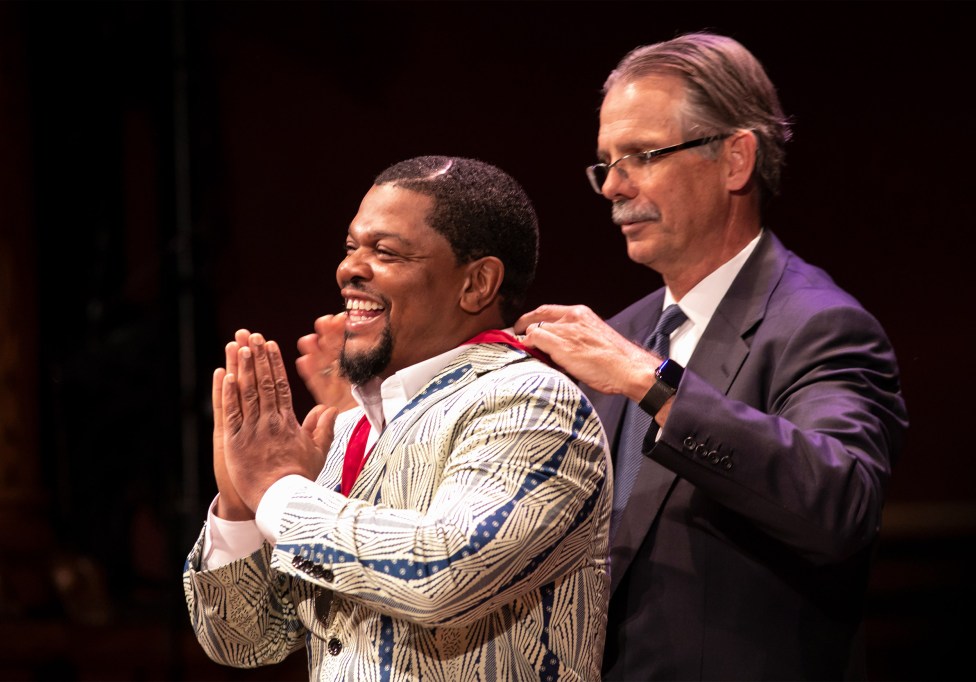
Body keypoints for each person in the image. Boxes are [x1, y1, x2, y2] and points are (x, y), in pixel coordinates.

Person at [514, 32, 909, 680]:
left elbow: (842, 502)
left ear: (735, 160)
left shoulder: (820, 325)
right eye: (606, 162)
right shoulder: (625, 331)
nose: (613, 186)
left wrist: (655, 383)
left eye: (641, 155)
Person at [183, 155, 612, 681]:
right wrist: (239, 506)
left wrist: (276, 491)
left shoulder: (533, 402)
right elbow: (246, 643)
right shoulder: (351, 430)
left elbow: (441, 572)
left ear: (477, 284)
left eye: (385, 252)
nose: (349, 270)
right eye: (350, 248)